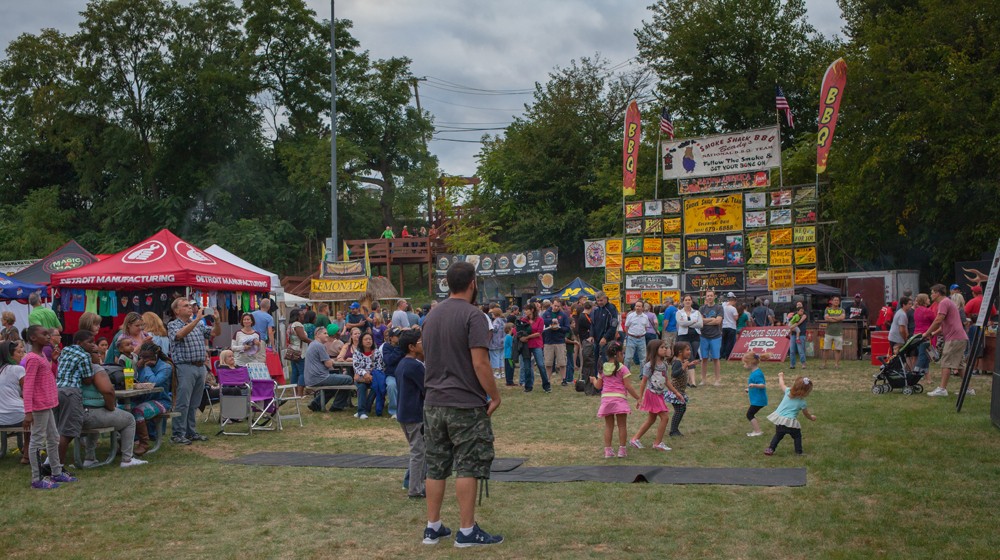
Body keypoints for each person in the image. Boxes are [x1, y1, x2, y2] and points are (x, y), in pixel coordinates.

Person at [421, 261, 503, 547]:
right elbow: (480, 363)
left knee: (436, 465)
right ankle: (466, 531)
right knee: (467, 465)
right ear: (472, 283)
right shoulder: (473, 315)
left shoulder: (431, 316)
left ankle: (432, 527)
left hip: (432, 401)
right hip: (464, 402)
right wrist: (495, 395)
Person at [22, 325, 74, 489]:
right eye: (44, 334)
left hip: (48, 404)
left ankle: (56, 472)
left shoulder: (42, 355)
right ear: (33, 338)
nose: (48, 337)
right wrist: (28, 412)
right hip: (39, 406)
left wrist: (54, 362)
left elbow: (46, 377)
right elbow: (28, 386)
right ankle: (36, 478)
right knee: (37, 441)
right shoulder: (32, 358)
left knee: (53, 438)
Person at [167, 298, 218, 445]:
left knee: (194, 402)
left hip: (199, 366)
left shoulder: (198, 324)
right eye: (186, 306)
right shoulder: (173, 324)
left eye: (191, 306)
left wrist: (217, 321)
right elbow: (179, 335)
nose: (190, 308)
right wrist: (196, 320)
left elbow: (214, 333)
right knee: (183, 402)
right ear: (177, 310)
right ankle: (177, 434)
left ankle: (190, 431)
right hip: (184, 366)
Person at [80, 356, 147, 468]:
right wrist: (111, 406)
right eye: (95, 352)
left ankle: (90, 457)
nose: (99, 355)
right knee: (129, 419)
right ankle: (127, 459)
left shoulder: (71, 370)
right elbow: (108, 391)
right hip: (92, 414)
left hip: (75, 414)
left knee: (97, 418)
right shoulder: (96, 369)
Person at [54, 330, 99, 470]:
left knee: (59, 428)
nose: (92, 345)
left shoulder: (65, 350)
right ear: (79, 343)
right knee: (68, 431)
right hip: (71, 392)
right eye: (89, 342)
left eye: (93, 342)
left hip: (57, 390)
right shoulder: (84, 355)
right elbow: (87, 380)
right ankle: (58, 466)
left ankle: (50, 462)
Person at [592, 341, 641, 458]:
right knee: (622, 426)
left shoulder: (603, 368)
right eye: (622, 354)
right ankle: (622, 450)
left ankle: (608, 451)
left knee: (609, 426)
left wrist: (593, 380)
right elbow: (628, 386)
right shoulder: (623, 369)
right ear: (619, 354)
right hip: (619, 399)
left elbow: (598, 386)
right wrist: (638, 398)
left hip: (606, 400)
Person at [924, 284, 971, 397]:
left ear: (938, 293)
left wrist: (926, 333)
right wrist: (934, 333)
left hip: (954, 338)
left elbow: (939, 320)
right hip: (959, 337)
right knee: (959, 365)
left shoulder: (944, 303)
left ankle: (942, 389)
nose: (931, 295)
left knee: (946, 362)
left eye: (932, 293)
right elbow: (945, 324)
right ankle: (968, 389)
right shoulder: (947, 302)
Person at [396, 329, 426, 499]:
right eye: (421, 342)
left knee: (419, 450)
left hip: (404, 413)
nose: (424, 344)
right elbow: (427, 389)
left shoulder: (403, 363)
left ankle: (416, 483)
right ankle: (415, 489)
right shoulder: (415, 366)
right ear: (412, 347)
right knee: (418, 452)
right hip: (414, 415)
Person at [629, 339, 674, 452]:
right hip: (652, 394)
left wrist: (676, 393)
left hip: (659, 394)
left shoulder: (664, 365)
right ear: (655, 350)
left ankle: (635, 439)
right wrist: (640, 398)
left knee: (651, 419)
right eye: (662, 347)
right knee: (665, 417)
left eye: (665, 347)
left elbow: (666, 380)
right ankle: (657, 443)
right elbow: (643, 382)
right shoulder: (649, 366)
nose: (665, 349)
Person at [764, 373, 816, 456]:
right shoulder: (802, 402)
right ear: (805, 392)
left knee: (778, 435)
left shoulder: (788, 391)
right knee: (797, 436)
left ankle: (770, 449)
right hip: (790, 423)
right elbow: (806, 414)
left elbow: (782, 384)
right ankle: (799, 452)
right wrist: (811, 418)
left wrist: (781, 376)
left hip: (780, 421)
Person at [305, 327, 354, 412]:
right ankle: (337, 406)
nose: (327, 335)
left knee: (337, 381)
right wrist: (331, 360)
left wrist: (330, 360)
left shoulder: (313, 344)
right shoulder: (319, 346)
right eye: (324, 333)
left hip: (312, 378)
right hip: (319, 378)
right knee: (349, 379)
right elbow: (328, 364)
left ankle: (316, 403)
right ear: (317, 335)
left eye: (327, 333)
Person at [0, 340, 28, 464]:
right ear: (9, 355)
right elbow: (27, 392)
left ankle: (23, 449)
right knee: (34, 415)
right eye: (18, 352)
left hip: (1, 416)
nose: (21, 354)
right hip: (15, 414)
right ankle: (27, 454)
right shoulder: (18, 369)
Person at [963, 285, 997, 375]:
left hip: (975, 326)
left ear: (974, 293)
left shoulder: (972, 301)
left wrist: (968, 320)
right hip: (986, 327)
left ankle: (974, 369)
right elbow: (994, 312)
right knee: (983, 347)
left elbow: (965, 312)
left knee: (973, 347)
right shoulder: (988, 301)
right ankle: (980, 368)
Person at [518, 303, 549, 393]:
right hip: (526, 346)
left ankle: (546, 385)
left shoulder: (539, 320)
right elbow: (518, 330)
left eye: (527, 310)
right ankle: (528, 386)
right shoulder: (523, 320)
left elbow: (539, 333)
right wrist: (520, 337)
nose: (525, 311)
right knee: (527, 366)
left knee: (540, 365)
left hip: (536, 344)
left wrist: (527, 337)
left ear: (532, 310)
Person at [352, 332, 382, 420]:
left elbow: (379, 366)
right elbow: (356, 366)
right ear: (361, 341)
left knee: (376, 387)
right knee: (361, 387)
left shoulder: (377, 353)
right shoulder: (357, 353)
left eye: (370, 339)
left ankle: (366, 408)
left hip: (373, 377)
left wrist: (370, 375)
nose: (368, 341)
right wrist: (365, 374)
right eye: (366, 339)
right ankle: (361, 412)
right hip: (361, 377)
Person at [588, 291, 619, 377]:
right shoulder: (595, 309)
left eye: (601, 300)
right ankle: (597, 380)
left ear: (605, 298)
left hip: (607, 340)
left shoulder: (611, 309)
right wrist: (591, 335)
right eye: (598, 301)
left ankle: (608, 379)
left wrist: (605, 337)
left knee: (606, 361)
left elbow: (614, 325)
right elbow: (592, 324)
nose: (599, 302)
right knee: (595, 361)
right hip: (596, 340)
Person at [375, 327, 403, 418]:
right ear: (391, 337)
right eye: (397, 335)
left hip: (403, 374)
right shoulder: (386, 346)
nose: (400, 337)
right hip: (391, 375)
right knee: (391, 386)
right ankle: (394, 411)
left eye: (400, 335)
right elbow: (389, 360)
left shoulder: (405, 346)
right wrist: (399, 349)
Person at [675, 295, 703, 387]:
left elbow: (700, 324)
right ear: (683, 302)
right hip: (683, 337)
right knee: (689, 357)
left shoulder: (697, 312)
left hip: (695, 337)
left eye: (689, 300)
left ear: (691, 301)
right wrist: (693, 322)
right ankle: (693, 382)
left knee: (692, 357)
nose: (687, 301)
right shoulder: (679, 312)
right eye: (686, 300)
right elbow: (681, 323)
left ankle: (687, 380)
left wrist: (689, 324)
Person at [666, 342, 692, 437]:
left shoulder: (680, 361)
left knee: (682, 409)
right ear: (680, 352)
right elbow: (674, 374)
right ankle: (673, 431)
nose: (689, 351)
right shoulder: (677, 362)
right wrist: (684, 367)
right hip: (675, 391)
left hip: (680, 391)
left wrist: (688, 364)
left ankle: (675, 429)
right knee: (679, 410)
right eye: (687, 350)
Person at [541, 300, 570, 384]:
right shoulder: (546, 313)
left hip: (560, 341)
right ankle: (547, 380)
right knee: (548, 363)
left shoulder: (563, 315)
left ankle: (564, 379)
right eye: (555, 305)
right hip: (548, 341)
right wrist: (551, 321)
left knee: (562, 362)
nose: (556, 307)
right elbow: (542, 321)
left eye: (558, 306)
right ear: (551, 304)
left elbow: (567, 328)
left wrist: (559, 328)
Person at [699, 290, 724, 386]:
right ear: (705, 297)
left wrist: (705, 321)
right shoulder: (702, 308)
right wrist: (711, 319)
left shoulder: (719, 308)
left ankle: (717, 379)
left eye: (711, 296)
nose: (709, 297)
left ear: (714, 297)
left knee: (716, 358)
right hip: (704, 336)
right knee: (704, 358)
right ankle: (703, 379)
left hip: (716, 336)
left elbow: (718, 321)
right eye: (708, 296)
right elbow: (700, 321)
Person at [286, 309, 310, 398]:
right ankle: (300, 394)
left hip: (292, 351)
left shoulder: (290, 325)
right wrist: (313, 342)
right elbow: (303, 338)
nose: (303, 316)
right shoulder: (297, 324)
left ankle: (294, 393)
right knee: (302, 372)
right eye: (302, 315)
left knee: (294, 372)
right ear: (297, 316)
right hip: (300, 352)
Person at [743, 353, 767, 437]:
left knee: (749, 415)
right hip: (756, 399)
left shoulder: (757, 373)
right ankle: (757, 431)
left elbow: (763, 385)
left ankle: (757, 431)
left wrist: (754, 385)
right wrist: (749, 389)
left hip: (759, 400)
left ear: (750, 363)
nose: (744, 365)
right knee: (750, 414)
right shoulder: (754, 372)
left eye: (745, 363)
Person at [912, 293, 936, 375]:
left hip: (916, 334)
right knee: (923, 354)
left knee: (925, 354)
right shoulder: (928, 311)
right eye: (928, 299)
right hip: (925, 335)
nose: (929, 300)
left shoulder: (916, 311)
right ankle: (916, 370)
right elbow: (935, 321)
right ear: (924, 301)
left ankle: (924, 370)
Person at [623, 301, 650, 368]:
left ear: (642, 308)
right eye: (636, 306)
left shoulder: (645, 317)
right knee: (628, 358)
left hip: (642, 338)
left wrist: (641, 334)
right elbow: (626, 327)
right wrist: (628, 335)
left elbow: (646, 327)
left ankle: (642, 375)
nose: (637, 308)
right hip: (631, 338)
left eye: (639, 306)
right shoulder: (630, 316)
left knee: (643, 358)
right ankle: (626, 374)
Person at [889, 297, 914, 365]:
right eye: (909, 304)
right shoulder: (902, 314)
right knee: (898, 358)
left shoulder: (900, 312)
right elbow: (902, 329)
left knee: (898, 357)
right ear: (904, 305)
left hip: (894, 337)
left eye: (911, 304)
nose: (911, 306)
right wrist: (905, 339)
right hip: (897, 339)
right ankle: (896, 371)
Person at [823, 296, 845, 368]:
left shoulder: (842, 310)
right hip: (828, 332)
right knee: (826, 349)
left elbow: (842, 318)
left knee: (838, 349)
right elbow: (826, 318)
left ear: (839, 302)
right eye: (835, 300)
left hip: (838, 333)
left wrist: (831, 318)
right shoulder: (827, 310)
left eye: (837, 300)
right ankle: (824, 364)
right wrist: (837, 319)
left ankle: (836, 364)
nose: (836, 301)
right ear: (832, 301)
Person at [788, 301, 808, 370]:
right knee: (792, 350)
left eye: (800, 304)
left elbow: (799, 322)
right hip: (793, 334)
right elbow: (790, 321)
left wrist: (791, 327)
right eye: (797, 305)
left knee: (801, 350)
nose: (799, 305)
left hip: (801, 334)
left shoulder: (804, 314)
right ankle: (792, 364)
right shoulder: (794, 315)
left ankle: (803, 364)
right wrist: (791, 328)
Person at [487, 308, 505, 379]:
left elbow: (494, 329)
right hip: (502, 342)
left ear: (495, 314)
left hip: (495, 343)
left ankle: (497, 373)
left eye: (492, 313)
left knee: (495, 358)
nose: (491, 315)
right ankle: (502, 373)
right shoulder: (503, 320)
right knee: (501, 358)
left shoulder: (496, 321)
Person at [721, 292, 739, 359]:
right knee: (730, 342)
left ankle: (722, 354)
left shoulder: (723, 306)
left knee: (723, 342)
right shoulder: (733, 308)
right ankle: (728, 355)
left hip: (724, 326)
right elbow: (736, 318)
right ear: (733, 301)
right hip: (731, 326)